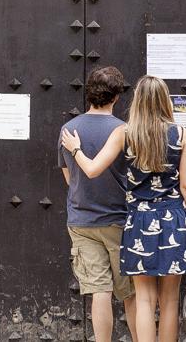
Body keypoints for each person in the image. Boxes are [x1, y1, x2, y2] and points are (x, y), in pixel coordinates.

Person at [61, 75, 186, 342]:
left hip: (139, 221)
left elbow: (91, 170)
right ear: (164, 101)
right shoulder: (181, 134)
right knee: (170, 301)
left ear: (137, 100)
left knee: (145, 300)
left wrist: (77, 149)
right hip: (174, 219)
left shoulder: (125, 133)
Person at [56, 66, 138, 342]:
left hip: (81, 221)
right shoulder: (123, 130)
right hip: (119, 220)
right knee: (130, 293)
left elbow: (70, 178)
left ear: (89, 94)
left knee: (99, 292)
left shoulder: (68, 130)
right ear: (116, 97)